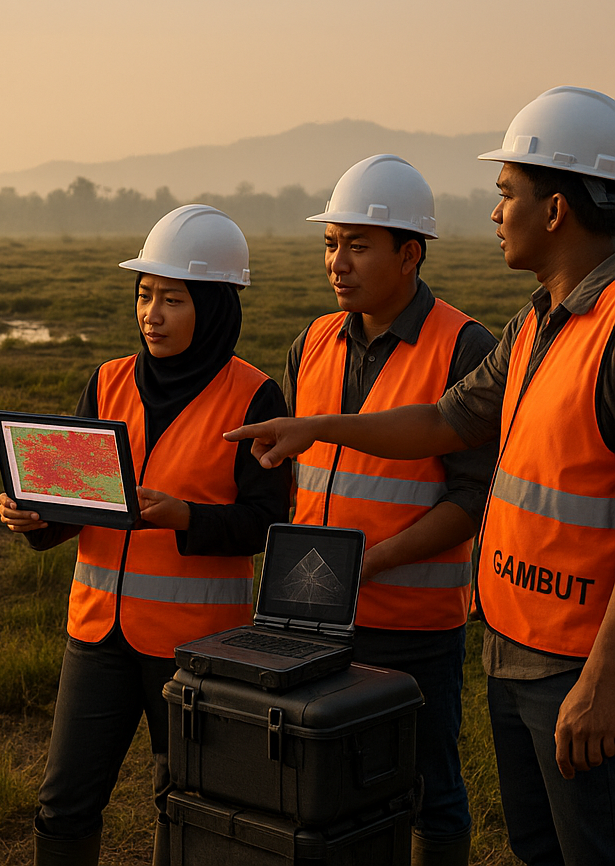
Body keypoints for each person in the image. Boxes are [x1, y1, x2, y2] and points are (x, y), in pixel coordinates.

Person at [226, 86, 615, 866]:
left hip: (576, 661)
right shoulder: (536, 324)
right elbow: (443, 422)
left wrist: (604, 680)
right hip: (514, 643)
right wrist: (315, 426)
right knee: (540, 849)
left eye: (507, 193)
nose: (495, 213)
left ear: (556, 209)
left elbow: (462, 476)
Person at [0, 204, 292, 866]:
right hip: (96, 634)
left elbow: (266, 521)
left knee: (186, 803)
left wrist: (187, 516)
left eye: (172, 299)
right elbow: (78, 502)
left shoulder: (253, 396)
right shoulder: (106, 382)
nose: (151, 314)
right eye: (144, 294)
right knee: (63, 804)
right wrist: (36, 518)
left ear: (214, 307)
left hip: (197, 646)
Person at [279, 153, 497, 866]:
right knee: (328, 789)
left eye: (358, 245)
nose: (337, 263)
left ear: (410, 254)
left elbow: (473, 497)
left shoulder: (464, 346)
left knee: (431, 791)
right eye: (330, 243)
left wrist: (376, 562)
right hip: (313, 615)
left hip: (413, 626)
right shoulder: (311, 342)